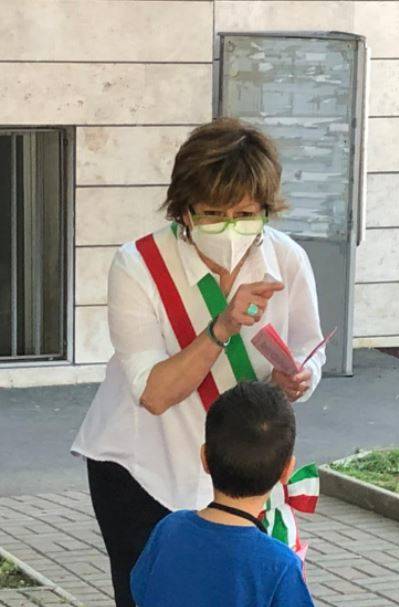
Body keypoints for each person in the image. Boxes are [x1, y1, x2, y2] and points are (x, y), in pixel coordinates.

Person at [71, 118, 325, 606]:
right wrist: (222, 328)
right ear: (183, 211)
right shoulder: (138, 265)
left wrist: (298, 379)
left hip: (240, 472)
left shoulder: (287, 260)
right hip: (144, 468)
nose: (229, 228)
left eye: (246, 214)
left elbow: (311, 350)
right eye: (212, 213)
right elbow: (154, 393)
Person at [129, 382, 314, 607]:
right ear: (287, 471)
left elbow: (140, 592)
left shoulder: (168, 529)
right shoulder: (279, 565)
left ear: (205, 458)